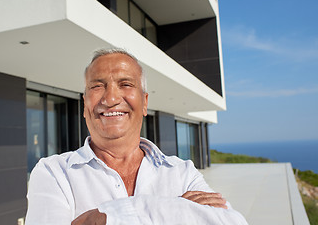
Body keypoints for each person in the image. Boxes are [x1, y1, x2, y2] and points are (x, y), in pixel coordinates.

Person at [25, 48, 248, 225]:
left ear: (145, 103)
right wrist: (175, 209)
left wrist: (110, 216)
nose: (111, 98)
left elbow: (233, 222)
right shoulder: (53, 173)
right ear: (85, 106)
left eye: (125, 84)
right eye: (98, 86)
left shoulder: (183, 173)